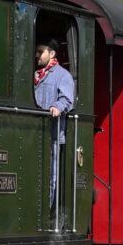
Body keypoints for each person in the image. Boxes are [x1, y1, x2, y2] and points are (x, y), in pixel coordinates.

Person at [33, 39, 75, 227]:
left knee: (50, 177)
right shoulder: (34, 75)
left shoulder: (63, 75)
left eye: (40, 52)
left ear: (52, 54)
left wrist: (57, 106)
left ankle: (43, 217)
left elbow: (67, 99)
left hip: (53, 134)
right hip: (35, 133)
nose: (37, 55)